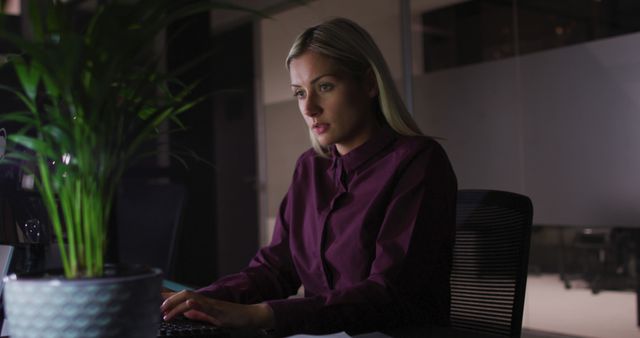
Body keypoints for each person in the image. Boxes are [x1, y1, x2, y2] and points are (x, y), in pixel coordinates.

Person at [161, 17, 457, 336]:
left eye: (325, 86)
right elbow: (274, 269)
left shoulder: (418, 161)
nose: (310, 108)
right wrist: (196, 301)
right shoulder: (310, 167)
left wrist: (262, 314)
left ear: (369, 83)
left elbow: (388, 293)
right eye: (300, 93)